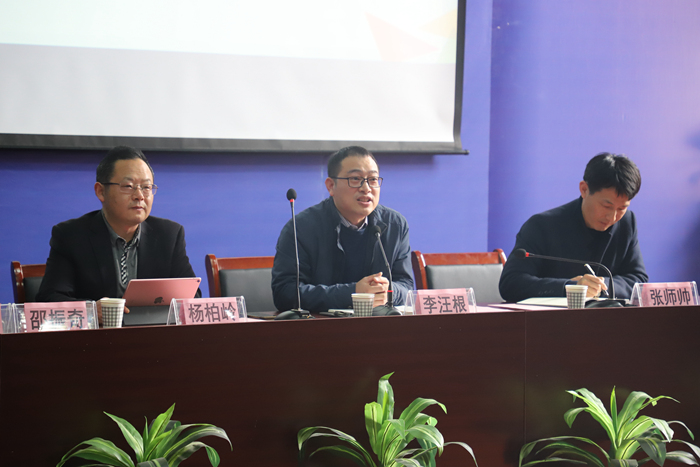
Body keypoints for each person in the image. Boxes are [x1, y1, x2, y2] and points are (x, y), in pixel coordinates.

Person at [37, 146, 199, 321]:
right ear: (101, 191)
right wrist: (91, 310)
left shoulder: (169, 235)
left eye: (146, 187)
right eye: (128, 186)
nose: (139, 196)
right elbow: (49, 299)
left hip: (153, 335)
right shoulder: (71, 236)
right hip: (97, 336)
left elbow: (193, 297)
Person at [271, 146, 413, 313]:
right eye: (355, 179)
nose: (366, 188)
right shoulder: (301, 228)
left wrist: (387, 291)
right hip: (320, 326)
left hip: (379, 325)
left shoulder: (395, 225)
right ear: (331, 186)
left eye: (373, 179)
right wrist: (354, 293)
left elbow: (407, 287)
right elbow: (285, 293)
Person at [499, 152, 648, 302]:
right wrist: (570, 287)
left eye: (622, 208)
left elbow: (638, 280)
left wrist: (602, 286)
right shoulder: (542, 226)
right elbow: (511, 283)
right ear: (584, 189)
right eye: (606, 206)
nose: (613, 217)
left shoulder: (627, 223)